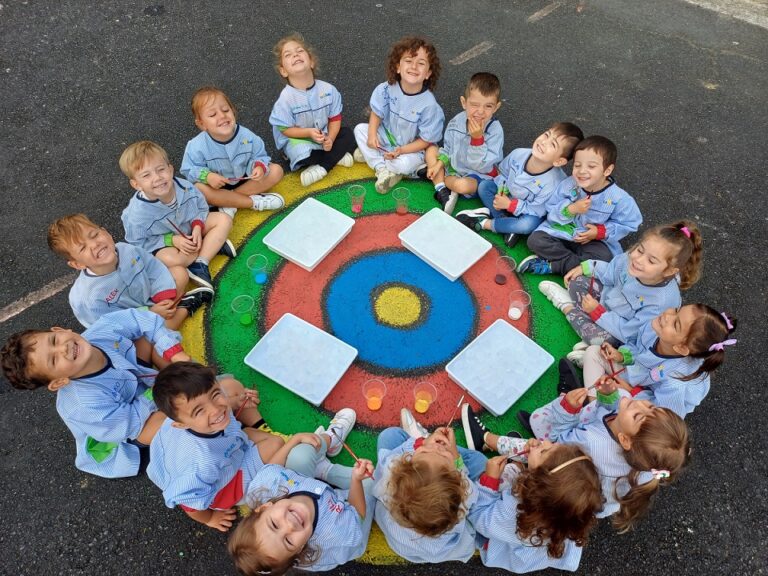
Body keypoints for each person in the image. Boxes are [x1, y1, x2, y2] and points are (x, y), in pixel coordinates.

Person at [0, 308, 189, 478]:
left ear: (61, 330)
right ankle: (185, 389)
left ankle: (182, 374)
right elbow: (130, 422)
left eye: (54, 341)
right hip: (125, 433)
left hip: (133, 389)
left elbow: (140, 319)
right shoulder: (83, 404)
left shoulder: (102, 330)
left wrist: (174, 352)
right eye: (54, 360)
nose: (63, 348)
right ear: (59, 382)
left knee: (146, 338)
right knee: (166, 418)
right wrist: (161, 391)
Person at [147, 362, 319, 532]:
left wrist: (234, 401)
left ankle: (223, 404)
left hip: (219, 452)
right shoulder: (201, 465)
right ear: (180, 425)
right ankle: (267, 487)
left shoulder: (183, 417)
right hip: (226, 485)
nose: (215, 409)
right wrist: (210, 518)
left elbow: (214, 404)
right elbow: (189, 504)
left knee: (232, 386)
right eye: (199, 411)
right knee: (276, 444)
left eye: (215, 394)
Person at [520, 381, 690, 531]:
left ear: (625, 440)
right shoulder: (648, 460)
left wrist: (567, 409)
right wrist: (608, 397)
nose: (640, 404)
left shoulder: (589, 442)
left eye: (638, 416)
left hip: (566, 467)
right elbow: (617, 412)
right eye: (651, 407)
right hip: (596, 498)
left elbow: (556, 446)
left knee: (539, 422)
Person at [537, 220, 703, 351]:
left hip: (619, 331)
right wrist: (587, 267)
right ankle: (590, 338)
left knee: (598, 338)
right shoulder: (630, 259)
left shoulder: (661, 302)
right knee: (577, 282)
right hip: (605, 304)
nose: (638, 259)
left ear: (668, 271)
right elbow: (610, 273)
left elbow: (629, 333)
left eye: (651, 260)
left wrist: (597, 312)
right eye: (640, 250)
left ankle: (566, 306)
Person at [48, 213, 211, 329]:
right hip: (135, 321)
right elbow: (112, 323)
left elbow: (153, 267)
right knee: (152, 337)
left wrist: (162, 293)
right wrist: (149, 312)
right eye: (82, 248)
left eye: (94, 235)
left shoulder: (126, 249)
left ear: (106, 232)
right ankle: (184, 308)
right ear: (77, 264)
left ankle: (170, 310)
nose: (94, 244)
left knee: (180, 273)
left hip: (152, 297)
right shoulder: (89, 298)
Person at [121, 140, 235, 292]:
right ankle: (211, 245)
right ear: (136, 184)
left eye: (161, 169)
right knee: (173, 260)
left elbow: (201, 207)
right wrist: (172, 240)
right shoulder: (138, 214)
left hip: (190, 230)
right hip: (166, 244)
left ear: (170, 169)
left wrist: (197, 226)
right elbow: (138, 244)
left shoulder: (184, 187)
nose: (157, 178)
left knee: (224, 219)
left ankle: (201, 262)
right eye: (146, 175)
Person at [469, 443, 603, 572]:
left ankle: (482, 544)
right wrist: (533, 458)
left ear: (540, 484)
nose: (544, 441)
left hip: (498, 539)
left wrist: (490, 480)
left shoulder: (515, 512)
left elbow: (480, 516)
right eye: (552, 444)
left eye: (544, 451)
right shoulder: (570, 508)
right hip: (534, 546)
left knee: (478, 464)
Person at [581, 306, 736, 417]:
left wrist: (633, 391)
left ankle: (594, 415)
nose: (668, 315)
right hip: (640, 376)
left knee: (621, 397)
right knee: (593, 353)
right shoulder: (658, 329)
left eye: (676, 324)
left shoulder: (676, 384)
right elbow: (639, 349)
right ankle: (592, 405)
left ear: (682, 348)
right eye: (677, 310)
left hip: (651, 399)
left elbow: (666, 415)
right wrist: (622, 356)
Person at [519, 136, 642, 276]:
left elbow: (630, 223)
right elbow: (551, 209)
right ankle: (578, 266)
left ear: (607, 170)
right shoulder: (569, 184)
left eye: (591, 166)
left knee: (605, 258)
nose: (582, 171)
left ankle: (555, 266)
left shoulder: (619, 198)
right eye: (577, 165)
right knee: (536, 240)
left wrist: (599, 231)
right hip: (562, 232)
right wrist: (570, 210)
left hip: (592, 242)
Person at [228, 457, 374, 573]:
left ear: (264, 507)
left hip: (327, 504)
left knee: (301, 454)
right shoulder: (338, 532)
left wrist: (295, 440)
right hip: (350, 531)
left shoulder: (265, 485)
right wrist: (356, 479)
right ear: (300, 549)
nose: (290, 525)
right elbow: (358, 514)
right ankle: (328, 471)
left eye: (274, 525)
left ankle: (327, 472)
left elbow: (272, 468)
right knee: (371, 487)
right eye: (289, 541)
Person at [456, 122, 584, 248]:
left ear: (559, 161)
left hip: (528, 211)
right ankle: (506, 224)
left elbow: (537, 210)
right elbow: (502, 174)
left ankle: (487, 223)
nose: (544, 142)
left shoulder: (553, 183)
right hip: (508, 198)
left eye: (552, 144)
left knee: (528, 225)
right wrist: (502, 190)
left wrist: (510, 205)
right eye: (546, 135)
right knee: (484, 187)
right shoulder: (518, 154)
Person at [372, 426, 486, 563]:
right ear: (459, 483)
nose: (437, 447)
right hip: (442, 550)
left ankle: (422, 440)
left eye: (424, 452)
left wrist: (420, 443)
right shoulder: (463, 496)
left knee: (390, 435)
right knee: (480, 461)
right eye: (444, 456)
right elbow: (466, 484)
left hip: (404, 545)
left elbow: (387, 461)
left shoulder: (392, 480)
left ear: (402, 468)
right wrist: (454, 455)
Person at [354, 36, 444, 194]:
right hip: (387, 138)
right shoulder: (387, 88)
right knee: (360, 129)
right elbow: (377, 113)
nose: (414, 66)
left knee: (402, 164)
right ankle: (382, 169)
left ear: (428, 73)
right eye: (408, 60)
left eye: (421, 63)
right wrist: (372, 134)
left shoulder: (430, 105)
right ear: (397, 67)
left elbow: (425, 140)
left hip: (411, 149)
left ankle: (378, 160)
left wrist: (401, 150)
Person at [269, 33, 359, 187]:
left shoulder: (329, 89)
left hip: (323, 135)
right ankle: (332, 160)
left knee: (348, 134)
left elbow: (335, 119)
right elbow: (284, 129)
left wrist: (330, 138)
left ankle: (324, 164)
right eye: (288, 55)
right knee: (302, 155)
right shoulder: (285, 99)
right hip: (299, 140)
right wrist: (308, 133)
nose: (295, 55)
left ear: (311, 61)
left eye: (299, 51)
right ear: (283, 71)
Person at [180, 86, 285, 217]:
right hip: (217, 187)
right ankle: (251, 202)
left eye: (225, 110)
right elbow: (188, 169)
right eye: (213, 115)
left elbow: (260, 155)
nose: (222, 116)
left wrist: (258, 166)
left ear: (233, 111)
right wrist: (207, 176)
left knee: (276, 171)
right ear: (202, 124)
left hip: (244, 180)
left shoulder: (247, 136)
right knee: (200, 190)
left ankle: (229, 202)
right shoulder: (196, 145)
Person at [426, 72, 503, 214]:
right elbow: (448, 149)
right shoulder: (456, 122)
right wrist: (439, 164)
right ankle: (442, 189)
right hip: (455, 169)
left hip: (478, 175)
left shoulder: (495, 131)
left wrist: (477, 140)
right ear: (464, 103)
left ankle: (443, 184)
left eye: (488, 106)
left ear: (496, 107)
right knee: (431, 149)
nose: (480, 111)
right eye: (474, 104)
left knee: (461, 186)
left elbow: (481, 166)